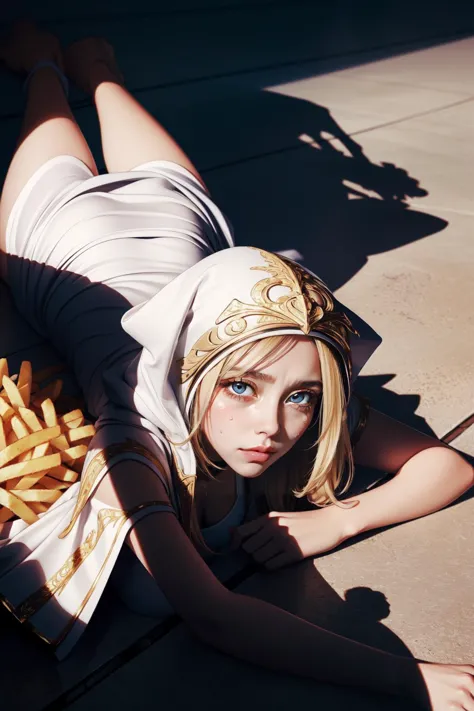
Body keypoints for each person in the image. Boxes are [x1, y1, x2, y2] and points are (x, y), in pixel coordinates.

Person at [0, 22, 473, 710]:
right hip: (66, 243)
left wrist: (340, 520)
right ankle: (49, 65)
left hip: (181, 235)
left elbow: (451, 465)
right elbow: (216, 615)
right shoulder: (134, 448)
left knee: (106, 86)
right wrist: (407, 676)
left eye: (303, 397)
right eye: (242, 386)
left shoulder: (285, 371)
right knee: (45, 88)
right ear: (195, 368)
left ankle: (94, 69)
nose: (272, 425)